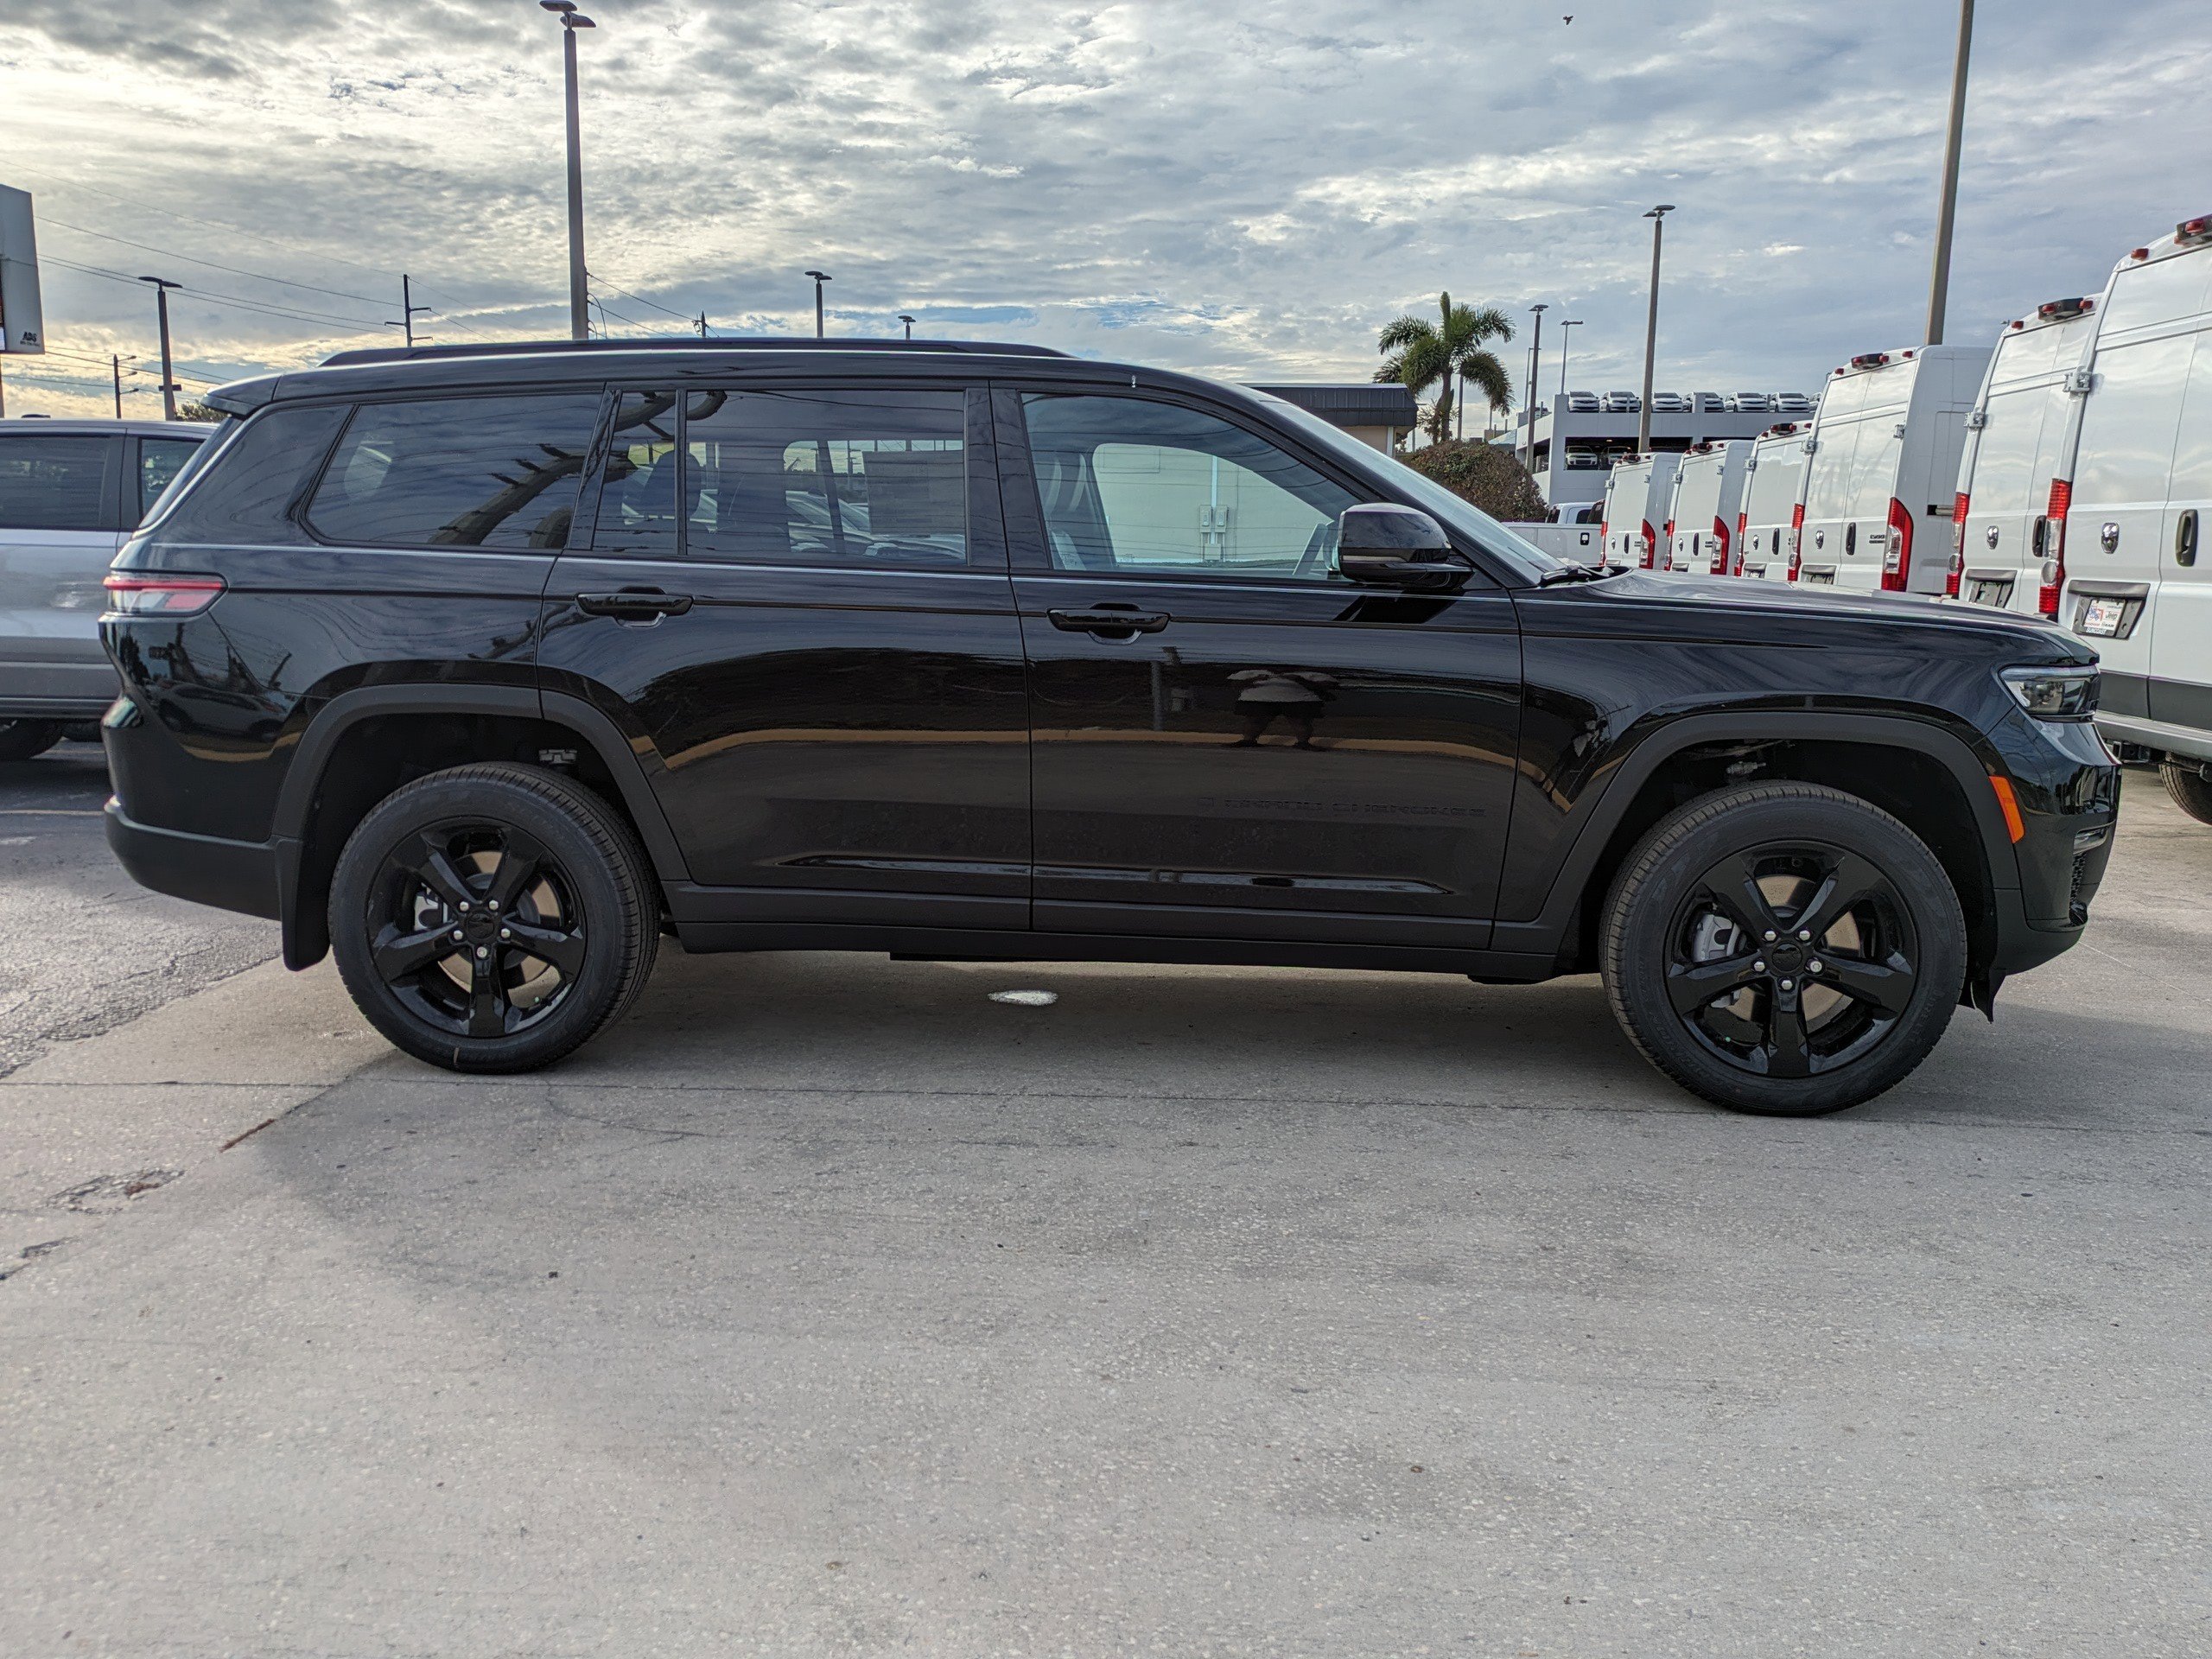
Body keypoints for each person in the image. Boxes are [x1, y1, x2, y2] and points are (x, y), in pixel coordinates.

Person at [1227, 667, 1336, 748]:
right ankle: (1248, 740)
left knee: (1300, 722)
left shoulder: (1310, 673)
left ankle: (1303, 743)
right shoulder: (1251, 672)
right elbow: (1234, 684)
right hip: (1259, 699)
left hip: (1299, 700)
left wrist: (1300, 680)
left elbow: (1329, 685)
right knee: (1254, 720)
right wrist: (1255, 679)